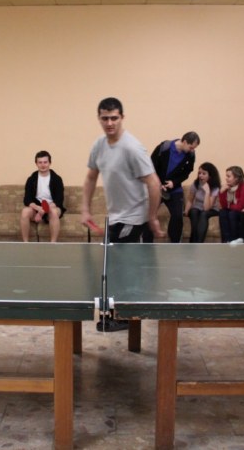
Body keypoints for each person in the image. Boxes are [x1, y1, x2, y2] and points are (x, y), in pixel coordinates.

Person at [82, 97, 164, 331]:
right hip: (116, 216)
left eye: (114, 118)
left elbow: (154, 183)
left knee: (121, 266)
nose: (110, 123)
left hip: (134, 216)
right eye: (105, 118)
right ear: (99, 119)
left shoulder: (132, 148)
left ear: (122, 118)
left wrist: (152, 217)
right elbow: (91, 177)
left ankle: (125, 317)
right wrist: (85, 208)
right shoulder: (99, 145)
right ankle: (119, 312)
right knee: (114, 266)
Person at [143, 132, 199, 243]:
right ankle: (146, 244)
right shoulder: (164, 147)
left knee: (178, 216)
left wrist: (174, 182)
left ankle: (174, 244)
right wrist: (157, 184)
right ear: (184, 142)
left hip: (174, 189)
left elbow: (187, 172)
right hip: (157, 187)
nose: (192, 150)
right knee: (150, 215)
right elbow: (151, 166)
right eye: (191, 147)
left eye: (194, 148)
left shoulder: (191, 155)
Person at [20, 150, 66, 242]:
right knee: (25, 211)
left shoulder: (57, 179)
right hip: (37, 207)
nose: (43, 165)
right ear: (36, 164)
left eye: (45, 162)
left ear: (50, 163)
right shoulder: (31, 179)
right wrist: (38, 208)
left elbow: (59, 200)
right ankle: (25, 243)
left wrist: (43, 211)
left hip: (52, 207)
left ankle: (53, 244)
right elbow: (27, 199)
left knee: (53, 212)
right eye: (40, 162)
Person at [185, 162, 221, 243]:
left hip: (211, 209)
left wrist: (207, 192)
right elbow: (190, 200)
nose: (200, 175)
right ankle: (193, 242)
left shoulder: (215, 187)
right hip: (197, 207)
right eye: (199, 173)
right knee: (193, 211)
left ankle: (199, 243)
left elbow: (206, 208)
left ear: (210, 175)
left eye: (204, 173)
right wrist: (186, 211)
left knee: (204, 214)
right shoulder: (196, 184)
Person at [217, 165, 244, 243]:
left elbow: (240, 207)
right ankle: (226, 241)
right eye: (226, 176)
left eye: (229, 176)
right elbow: (224, 206)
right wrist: (222, 192)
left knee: (232, 214)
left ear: (236, 178)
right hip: (233, 210)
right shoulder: (227, 187)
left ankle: (234, 240)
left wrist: (229, 206)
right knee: (222, 212)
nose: (226, 178)